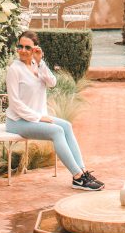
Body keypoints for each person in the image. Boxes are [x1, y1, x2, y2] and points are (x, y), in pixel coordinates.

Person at [5, 30, 104, 191]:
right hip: (17, 122)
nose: (23, 51)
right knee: (57, 131)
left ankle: (83, 171)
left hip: (34, 119)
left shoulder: (36, 65)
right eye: (20, 46)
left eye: (27, 48)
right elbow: (15, 103)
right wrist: (39, 117)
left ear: (35, 49)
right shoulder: (14, 70)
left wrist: (41, 62)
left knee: (67, 126)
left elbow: (52, 82)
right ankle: (77, 177)